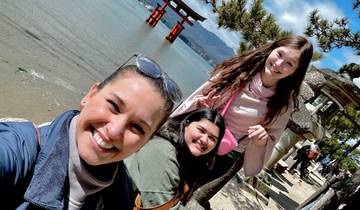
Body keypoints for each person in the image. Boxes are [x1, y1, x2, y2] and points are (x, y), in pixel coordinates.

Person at [0, 54, 182, 210]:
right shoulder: (19, 150)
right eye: (114, 105)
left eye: (137, 128)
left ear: (143, 144)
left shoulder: (121, 195)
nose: (114, 130)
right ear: (90, 95)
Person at [171, 35, 314, 180]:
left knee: (180, 195)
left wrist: (261, 140)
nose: (279, 63)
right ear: (272, 49)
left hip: (220, 157)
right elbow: (198, 96)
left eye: (289, 63)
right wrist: (202, 105)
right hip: (195, 136)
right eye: (279, 54)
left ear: (296, 71)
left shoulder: (283, 105)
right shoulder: (239, 70)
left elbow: (271, 140)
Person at [125, 108, 226, 209]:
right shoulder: (164, 152)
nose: (204, 140)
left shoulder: (187, 156)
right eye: (201, 130)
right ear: (186, 124)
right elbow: (160, 204)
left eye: (212, 138)